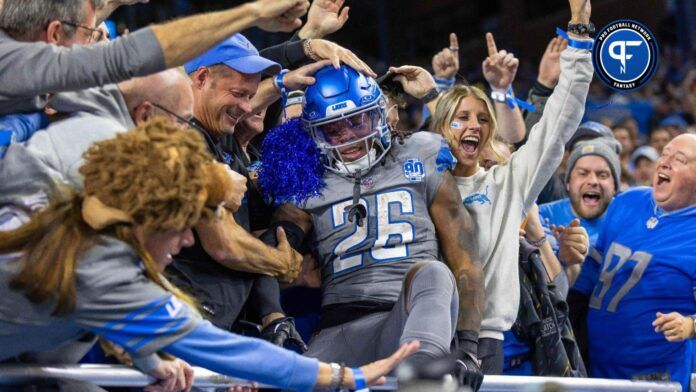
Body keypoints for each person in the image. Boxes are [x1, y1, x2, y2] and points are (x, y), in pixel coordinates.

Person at [0, 120, 419, 391]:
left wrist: (152, 354)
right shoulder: (103, 275)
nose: (187, 241)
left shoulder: (62, 173)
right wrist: (352, 375)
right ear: (149, 219)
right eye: (183, 225)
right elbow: (230, 351)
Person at [261, 63, 485, 391]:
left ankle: (422, 375)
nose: (348, 136)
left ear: (379, 113)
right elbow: (269, 256)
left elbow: (465, 262)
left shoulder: (422, 153)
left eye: (356, 121)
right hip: (339, 328)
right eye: (333, 129)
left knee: (434, 273)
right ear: (313, 132)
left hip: (410, 322)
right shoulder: (306, 181)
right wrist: (275, 307)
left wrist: (468, 348)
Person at [429, 0, 593, 374]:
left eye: (483, 118)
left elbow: (557, 125)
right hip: (423, 335)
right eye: (461, 118)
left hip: (487, 342)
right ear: (440, 128)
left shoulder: (507, 184)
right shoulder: (419, 185)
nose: (474, 125)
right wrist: (434, 87)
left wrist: (580, 38)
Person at [0, 0, 312, 114]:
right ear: (54, 36)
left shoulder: (24, 59)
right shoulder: (11, 64)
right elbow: (126, 57)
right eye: (91, 33)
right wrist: (250, 13)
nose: (97, 41)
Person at [567, 134, 696, 391]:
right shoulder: (628, 201)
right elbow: (588, 278)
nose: (665, 163)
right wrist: (569, 260)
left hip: (654, 378)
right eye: (665, 154)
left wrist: (689, 325)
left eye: (679, 160)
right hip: (591, 366)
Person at [539, 137, 621, 286]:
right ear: (568, 183)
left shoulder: (629, 222)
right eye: (583, 173)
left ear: (615, 186)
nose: (593, 181)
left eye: (602, 175)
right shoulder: (542, 216)